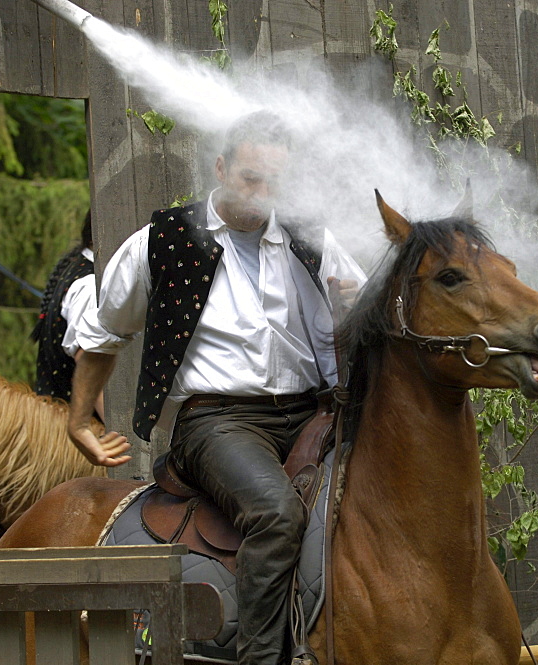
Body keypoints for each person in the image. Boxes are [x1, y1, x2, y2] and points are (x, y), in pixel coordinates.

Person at [68, 110, 365, 665]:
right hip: (217, 422)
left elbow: (364, 312)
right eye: (251, 178)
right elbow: (104, 330)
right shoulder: (165, 239)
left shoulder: (310, 236)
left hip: (313, 413)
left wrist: (353, 308)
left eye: (274, 182)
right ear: (221, 167)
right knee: (276, 514)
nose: (261, 194)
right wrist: (80, 418)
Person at [31, 210, 100, 418]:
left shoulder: (81, 270)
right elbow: (91, 368)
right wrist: (128, 440)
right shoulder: (89, 286)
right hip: (79, 437)